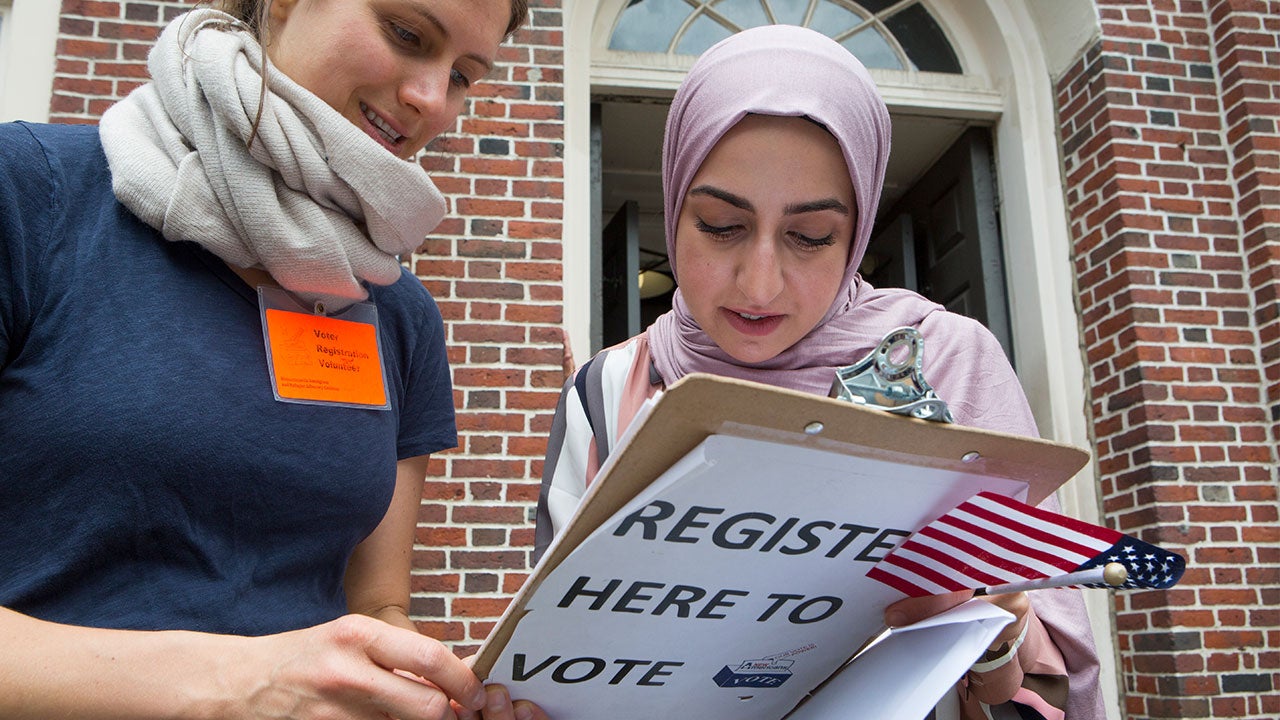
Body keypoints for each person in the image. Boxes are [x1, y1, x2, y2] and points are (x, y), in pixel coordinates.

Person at [534, 24, 1105, 720]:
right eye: (720, 224)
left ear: (858, 230)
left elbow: (1046, 678)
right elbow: (557, 656)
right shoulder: (606, 392)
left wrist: (994, 632)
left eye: (810, 236)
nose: (760, 283)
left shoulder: (947, 361)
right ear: (674, 201)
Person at [0, 1, 548, 718]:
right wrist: (235, 686)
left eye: (465, 77)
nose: (431, 100)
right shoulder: (31, 196)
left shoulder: (399, 312)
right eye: (407, 35)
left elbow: (376, 603)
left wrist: (433, 690)